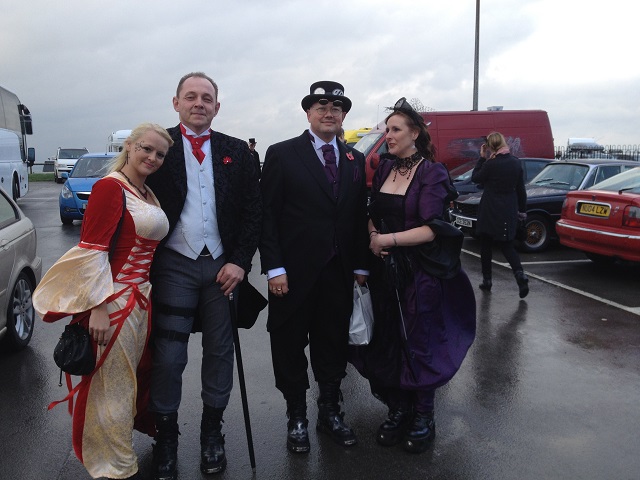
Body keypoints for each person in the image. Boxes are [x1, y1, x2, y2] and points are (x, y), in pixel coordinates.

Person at [33, 123, 173, 480]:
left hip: (142, 302)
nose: (152, 157)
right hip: (115, 306)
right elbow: (92, 252)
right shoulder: (110, 188)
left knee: (130, 382)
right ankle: (116, 468)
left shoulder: (143, 191)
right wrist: (97, 306)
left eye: (160, 154)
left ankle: (119, 455)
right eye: (146, 149)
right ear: (129, 146)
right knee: (114, 386)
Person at [144, 72, 261, 480]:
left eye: (207, 97)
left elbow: (252, 212)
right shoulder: (160, 151)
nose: (199, 103)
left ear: (217, 105)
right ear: (175, 102)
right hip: (174, 263)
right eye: (190, 97)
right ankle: (167, 436)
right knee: (170, 355)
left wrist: (241, 262)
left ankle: (212, 431)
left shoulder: (236, 152)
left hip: (222, 267)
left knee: (219, 350)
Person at [350, 98, 476, 454]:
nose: (387, 135)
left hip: (419, 272)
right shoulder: (387, 167)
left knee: (419, 342)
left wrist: (384, 239)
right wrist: (373, 234)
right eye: (386, 129)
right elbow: (372, 210)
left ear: (415, 134)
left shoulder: (432, 173)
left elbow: (432, 229)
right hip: (383, 271)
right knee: (388, 339)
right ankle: (398, 408)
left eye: (395, 130)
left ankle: (423, 414)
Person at [259, 80, 369, 454]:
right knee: (289, 344)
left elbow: (357, 217)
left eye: (336, 107)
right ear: (308, 112)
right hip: (293, 274)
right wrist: (273, 267)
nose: (328, 112)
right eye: (320, 106)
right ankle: (296, 416)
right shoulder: (282, 154)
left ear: (343, 116)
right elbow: (268, 216)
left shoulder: (355, 159)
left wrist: (361, 267)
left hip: (338, 273)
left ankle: (329, 411)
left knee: (332, 344)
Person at [471, 131, 529, 298]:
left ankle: (487, 280)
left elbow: (476, 178)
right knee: (507, 245)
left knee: (486, 245)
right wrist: (522, 212)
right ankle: (520, 275)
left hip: (490, 208)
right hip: (508, 208)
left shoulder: (491, 164)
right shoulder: (516, 163)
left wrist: (482, 157)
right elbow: (521, 190)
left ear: (490, 147)